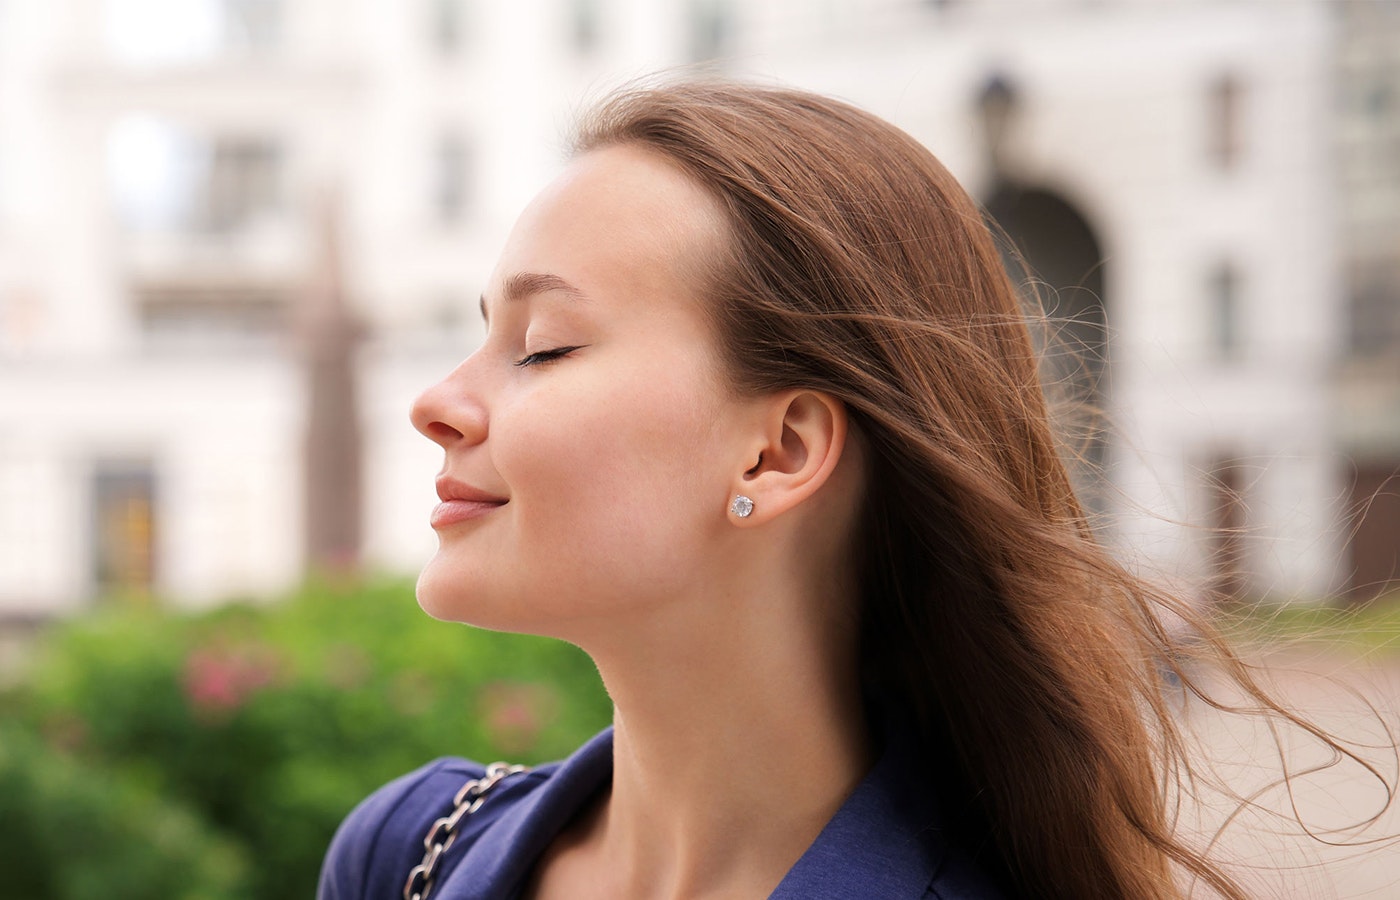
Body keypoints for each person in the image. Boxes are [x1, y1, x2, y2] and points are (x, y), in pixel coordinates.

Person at [317, 79, 1358, 900]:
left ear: (776, 454)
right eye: (482, 333)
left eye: (541, 348)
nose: (437, 402)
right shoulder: (412, 854)